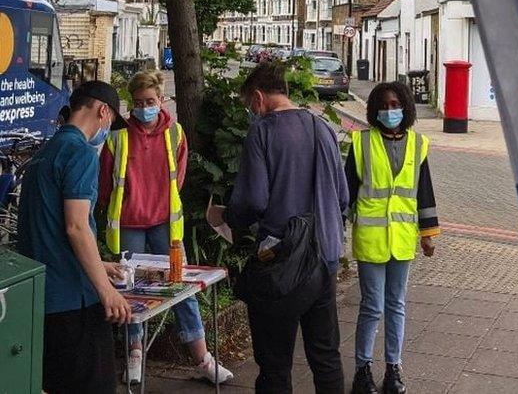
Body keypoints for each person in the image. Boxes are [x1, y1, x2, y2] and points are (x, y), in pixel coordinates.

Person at [207, 62, 348, 393]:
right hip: (324, 257)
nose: (251, 113)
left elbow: (253, 200)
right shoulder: (321, 126)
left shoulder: (264, 131)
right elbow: (342, 196)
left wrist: (226, 219)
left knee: (274, 363)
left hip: (282, 263)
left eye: (248, 106)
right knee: (326, 356)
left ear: (258, 97)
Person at [97, 71, 232, 384]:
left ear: (161, 100)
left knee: (181, 286)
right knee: (131, 292)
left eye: (151, 101)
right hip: (129, 224)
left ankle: (202, 359)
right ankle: (134, 353)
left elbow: (178, 177)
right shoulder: (118, 135)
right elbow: (105, 182)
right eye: (139, 103)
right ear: (131, 104)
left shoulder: (175, 133)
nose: (145, 107)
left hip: (164, 224)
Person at [17, 80, 132, 393]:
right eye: (110, 121)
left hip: (42, 297)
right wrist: (106, 290)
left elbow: (52, 229)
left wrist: (100, 264)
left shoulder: (45, 153)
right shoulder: (80, 152)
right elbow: (76, 226)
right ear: (103, 111)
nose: (107, 128)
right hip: (74, 301)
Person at [348, 82, 440, 394]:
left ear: (406, 108)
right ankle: (363, 370)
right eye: (384, 106)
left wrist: (427, 234)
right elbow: (346, 193)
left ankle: (393, 370)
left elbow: (423, 192)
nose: (390, 111)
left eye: (395, 104)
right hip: (371, 240)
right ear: (375, 110)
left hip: (402, 239)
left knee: (396, 305)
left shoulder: (418, 144)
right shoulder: (361, 143)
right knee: (372, 306)